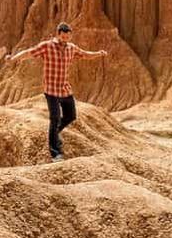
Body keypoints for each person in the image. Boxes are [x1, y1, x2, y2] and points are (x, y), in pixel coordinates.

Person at [6, 22, 107, 162]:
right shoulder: (47, 46)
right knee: (55, 118)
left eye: (68, 37)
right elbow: (29, 52)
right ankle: (55, 153)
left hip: (64, 89)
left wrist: (98, 54)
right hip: (51, 90)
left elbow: (85, 54)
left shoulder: (71, 48)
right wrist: (13, 58)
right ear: (58, 34)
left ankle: (53, 133)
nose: (65, 39)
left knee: (71, 115)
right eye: (63, 36)